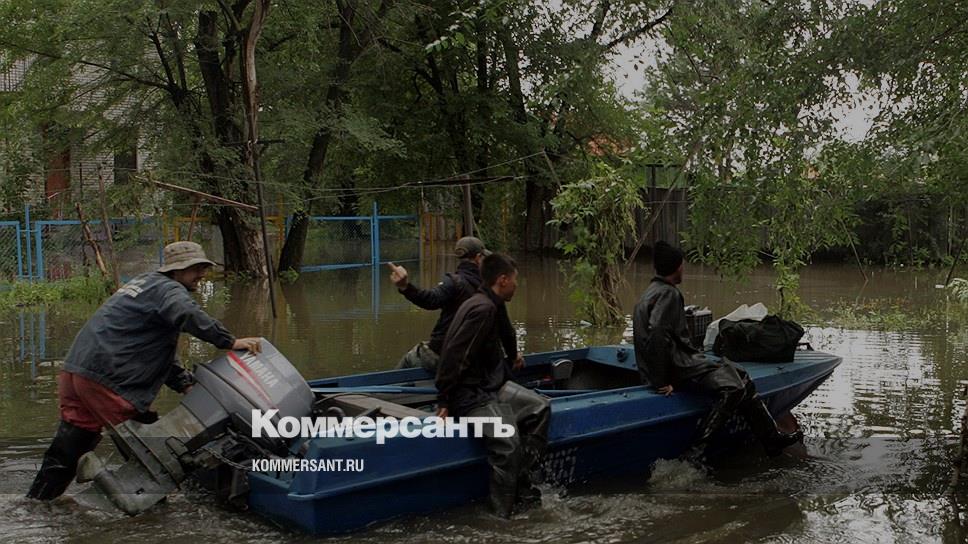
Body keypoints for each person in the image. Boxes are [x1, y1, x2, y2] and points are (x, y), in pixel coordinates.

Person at [27, 241, 262, 500]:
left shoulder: (146, 284)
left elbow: (156, 349)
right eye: (195, 268)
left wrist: (184, 383)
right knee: (151, 450)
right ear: (176, 270)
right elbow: (187, 312)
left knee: (69, 446)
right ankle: (152, 511)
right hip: (108, 378)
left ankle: (39, 503)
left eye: (203, 268)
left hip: (77, 371)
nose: (201, 274)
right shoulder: (170, 290)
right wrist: (229, 342)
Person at [632, 241, 802, 460]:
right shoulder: (669, 294)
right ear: (678, 267)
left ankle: (771, 439)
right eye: (683, 265)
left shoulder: (649, 292)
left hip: (677, 362)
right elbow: (657, 332)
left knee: (741, 375)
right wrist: (661, 381)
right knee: (734, 388)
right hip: (680, 365)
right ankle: (697, 450)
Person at [435, 253, 550, 518]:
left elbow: (507, 332)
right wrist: (444, 400)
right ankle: (501, 516)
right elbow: (454, 355)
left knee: (540, 408)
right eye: (515, 280)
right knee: (508, 444)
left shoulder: (492, 303)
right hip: (469, 396)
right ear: (503, 280)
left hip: (489, 387)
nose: (517, 285)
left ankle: (523, 485)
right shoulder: (482, 309)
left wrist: (513, 355)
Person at [389, 236, 520, 373]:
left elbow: (430, 300)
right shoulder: (492, 288)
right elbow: (506, 330)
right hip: (475, 360)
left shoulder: (454, 283)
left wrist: (405, 286)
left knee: (412, 357)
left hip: (444, 356)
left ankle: (385, 385)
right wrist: (514, 356)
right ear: (478, 258)